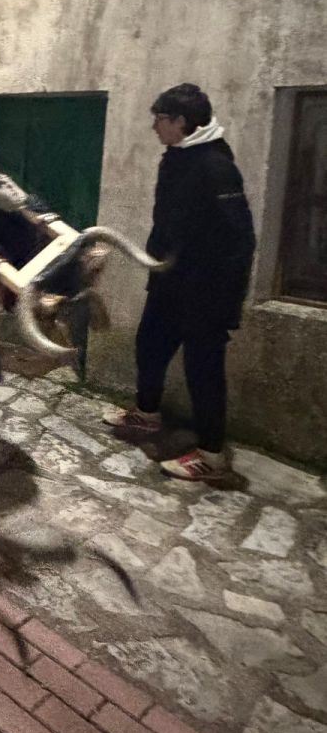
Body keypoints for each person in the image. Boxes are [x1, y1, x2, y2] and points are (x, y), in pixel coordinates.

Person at [105, 84, 255, 481]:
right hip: (171, 280)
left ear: (181, 122)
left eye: (160, 119)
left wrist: (227, 303)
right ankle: (147, 414)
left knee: (203, 369)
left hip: (206, 291)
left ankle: (212, 455)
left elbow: (241, 239)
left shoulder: (215, 166)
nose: (154, 126)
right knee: (150, 344)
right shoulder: (177, 157)